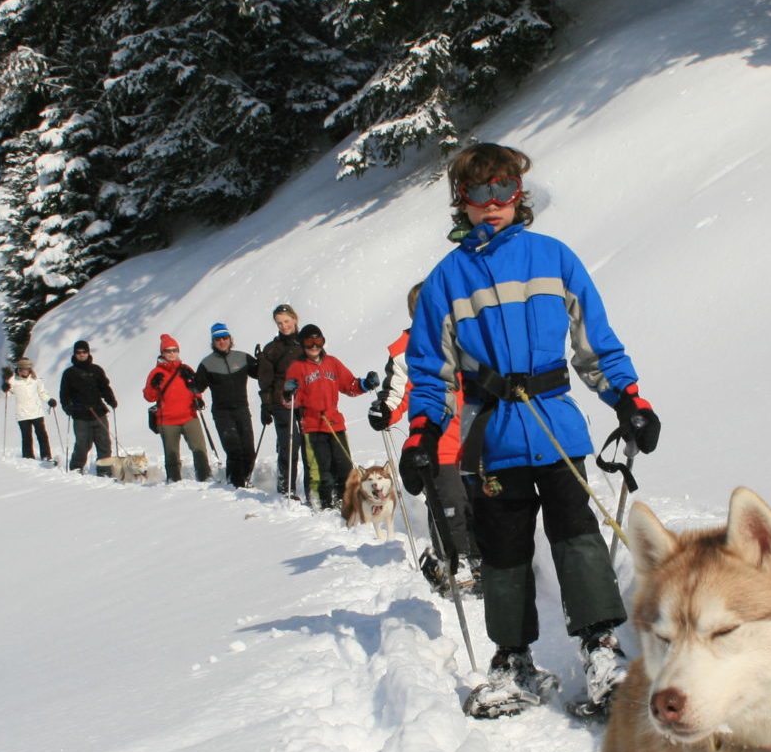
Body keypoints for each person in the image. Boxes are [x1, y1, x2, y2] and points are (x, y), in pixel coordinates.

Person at [402, 142, 664, 719]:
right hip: (490, 438)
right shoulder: (446, 280)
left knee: (578, 538)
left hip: (556, 429)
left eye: (504, 189)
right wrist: (423, 436)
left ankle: (601, 650)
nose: (492, 202)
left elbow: (595, 344)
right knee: (503, 553)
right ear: (461, 202)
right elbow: (429, 372)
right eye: (479, 193)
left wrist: (628, 400)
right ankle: (513, 659)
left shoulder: (554, 257)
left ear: (518, 195)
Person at [370, 282, 479, 595]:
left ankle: (481, 559)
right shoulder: (404, 350)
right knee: (451, 504)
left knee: (478, 503)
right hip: (438, 442)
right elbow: (397, 393)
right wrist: (384, 411)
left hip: (473, 439)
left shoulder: (462, 337)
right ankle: (451, 561)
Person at [282, 324, 378, 510]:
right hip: (312, 425)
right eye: (309, 342)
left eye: (318, 341)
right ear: (302, 344)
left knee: (344, 466)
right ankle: (322, 502)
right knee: (321, 469)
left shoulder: (332, 363)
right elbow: (290, 401)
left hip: (335, 423)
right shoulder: (297, 367)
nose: (314, 346)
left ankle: (347, 501)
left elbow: (349, 385)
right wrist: (288, 393)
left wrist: (366, 384)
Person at [143, 334, 211, 483]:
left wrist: (198, 399)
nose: (172, 353)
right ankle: (174, 481)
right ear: (162, 353)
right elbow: (149, 397)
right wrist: (153, 386)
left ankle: (205, 478)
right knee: (172, 454)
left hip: (189, 416)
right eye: (168, 351)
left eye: (174, 350)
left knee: (199, 450)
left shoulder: (185, 369)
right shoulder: (156, 373)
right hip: (167, 420)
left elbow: (196, 388)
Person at [195, 322, 256, 487]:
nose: (221, 342)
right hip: (222, 412)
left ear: (230, 339)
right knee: (234, 449)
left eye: (224, 338)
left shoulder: (242, 357)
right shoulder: (207, 363)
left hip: (242, 409)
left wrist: (264, 360)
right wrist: (191, 385)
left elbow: (259, 373)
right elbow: (197, 386)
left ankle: (246, 479)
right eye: (217, 339)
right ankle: (236, 484)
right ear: (213, 342)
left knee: (249, 449)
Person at [254, 304, 306, 498]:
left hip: (307, 400)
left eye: (286, 321)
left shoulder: (307, 342)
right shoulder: (272, 349)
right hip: (281, 401)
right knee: (289, 443)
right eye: (279, 323)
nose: (284, 326)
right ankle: (286, 488)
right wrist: (266, 404)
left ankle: (312, 489)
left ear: (294, 319)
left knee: (310, 443)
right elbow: (265, 380)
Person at [60, 339, 118, 472]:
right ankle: (76, 468)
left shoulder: (96, 370)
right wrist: (67, 406)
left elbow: (105, 387)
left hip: (99, 412)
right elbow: (64, 393)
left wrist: (111, 400)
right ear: (74, 354)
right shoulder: (69, 373)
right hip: (80, 414)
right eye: (78, 352)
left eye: (84, 352)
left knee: (104, 444)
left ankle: (104, 471)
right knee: (83, 445)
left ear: (88, 353)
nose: (81, 354)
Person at [6, 355, 56, 460]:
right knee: (26, 436)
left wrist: (49, 400)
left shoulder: (36, 380)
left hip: (36, 412)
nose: (24, 371)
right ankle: (28, 456)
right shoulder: (13, 381)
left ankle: (46, 456)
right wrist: (5, 389)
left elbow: (42, 393)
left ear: (30, 369)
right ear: (18, 369)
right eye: (22, 369)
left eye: (27, 369)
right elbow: (7, 394)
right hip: (22, 414)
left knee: (42, 435)